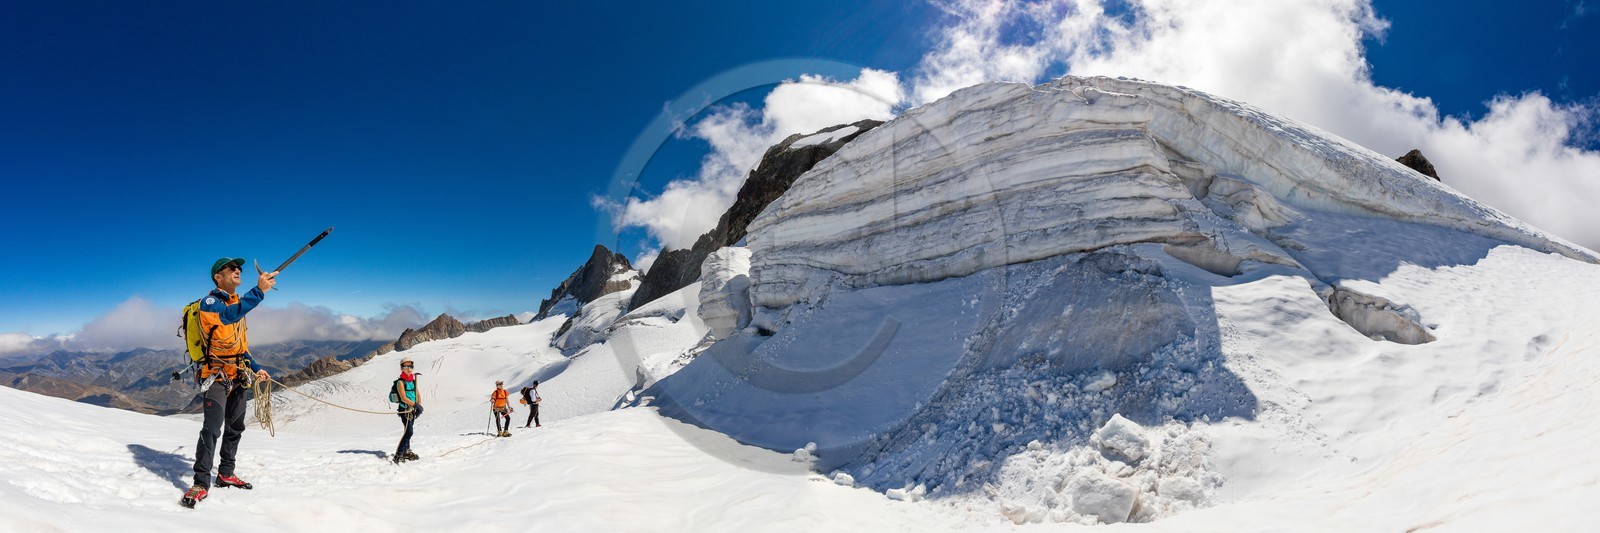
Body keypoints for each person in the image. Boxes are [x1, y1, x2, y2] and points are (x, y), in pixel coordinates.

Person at [182, 257, 277, 508]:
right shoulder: (210, 303)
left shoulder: (235, 304)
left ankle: (225, 473)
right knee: (212, 429)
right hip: (215, 376)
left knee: (236, 428)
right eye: (231, 268)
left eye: (239, 269)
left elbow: (239, 348)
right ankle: (201, 482)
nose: (237, 270)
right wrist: (258, 291)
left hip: (238, 374)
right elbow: (225, 318)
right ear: (218, 276)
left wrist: (256, 368)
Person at [394, 358, 422, 464]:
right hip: (405, 410)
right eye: (406, 366)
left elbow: (417, 394)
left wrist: (418, 405)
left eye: (410, 366)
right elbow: (403, 398)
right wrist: (415, 405)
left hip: (412, 410)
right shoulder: (400, 382)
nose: (408, 369)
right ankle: (399, 453)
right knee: (409, 432)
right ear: (402, 368)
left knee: (408, 431)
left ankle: (406, 451)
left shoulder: (412, 381)